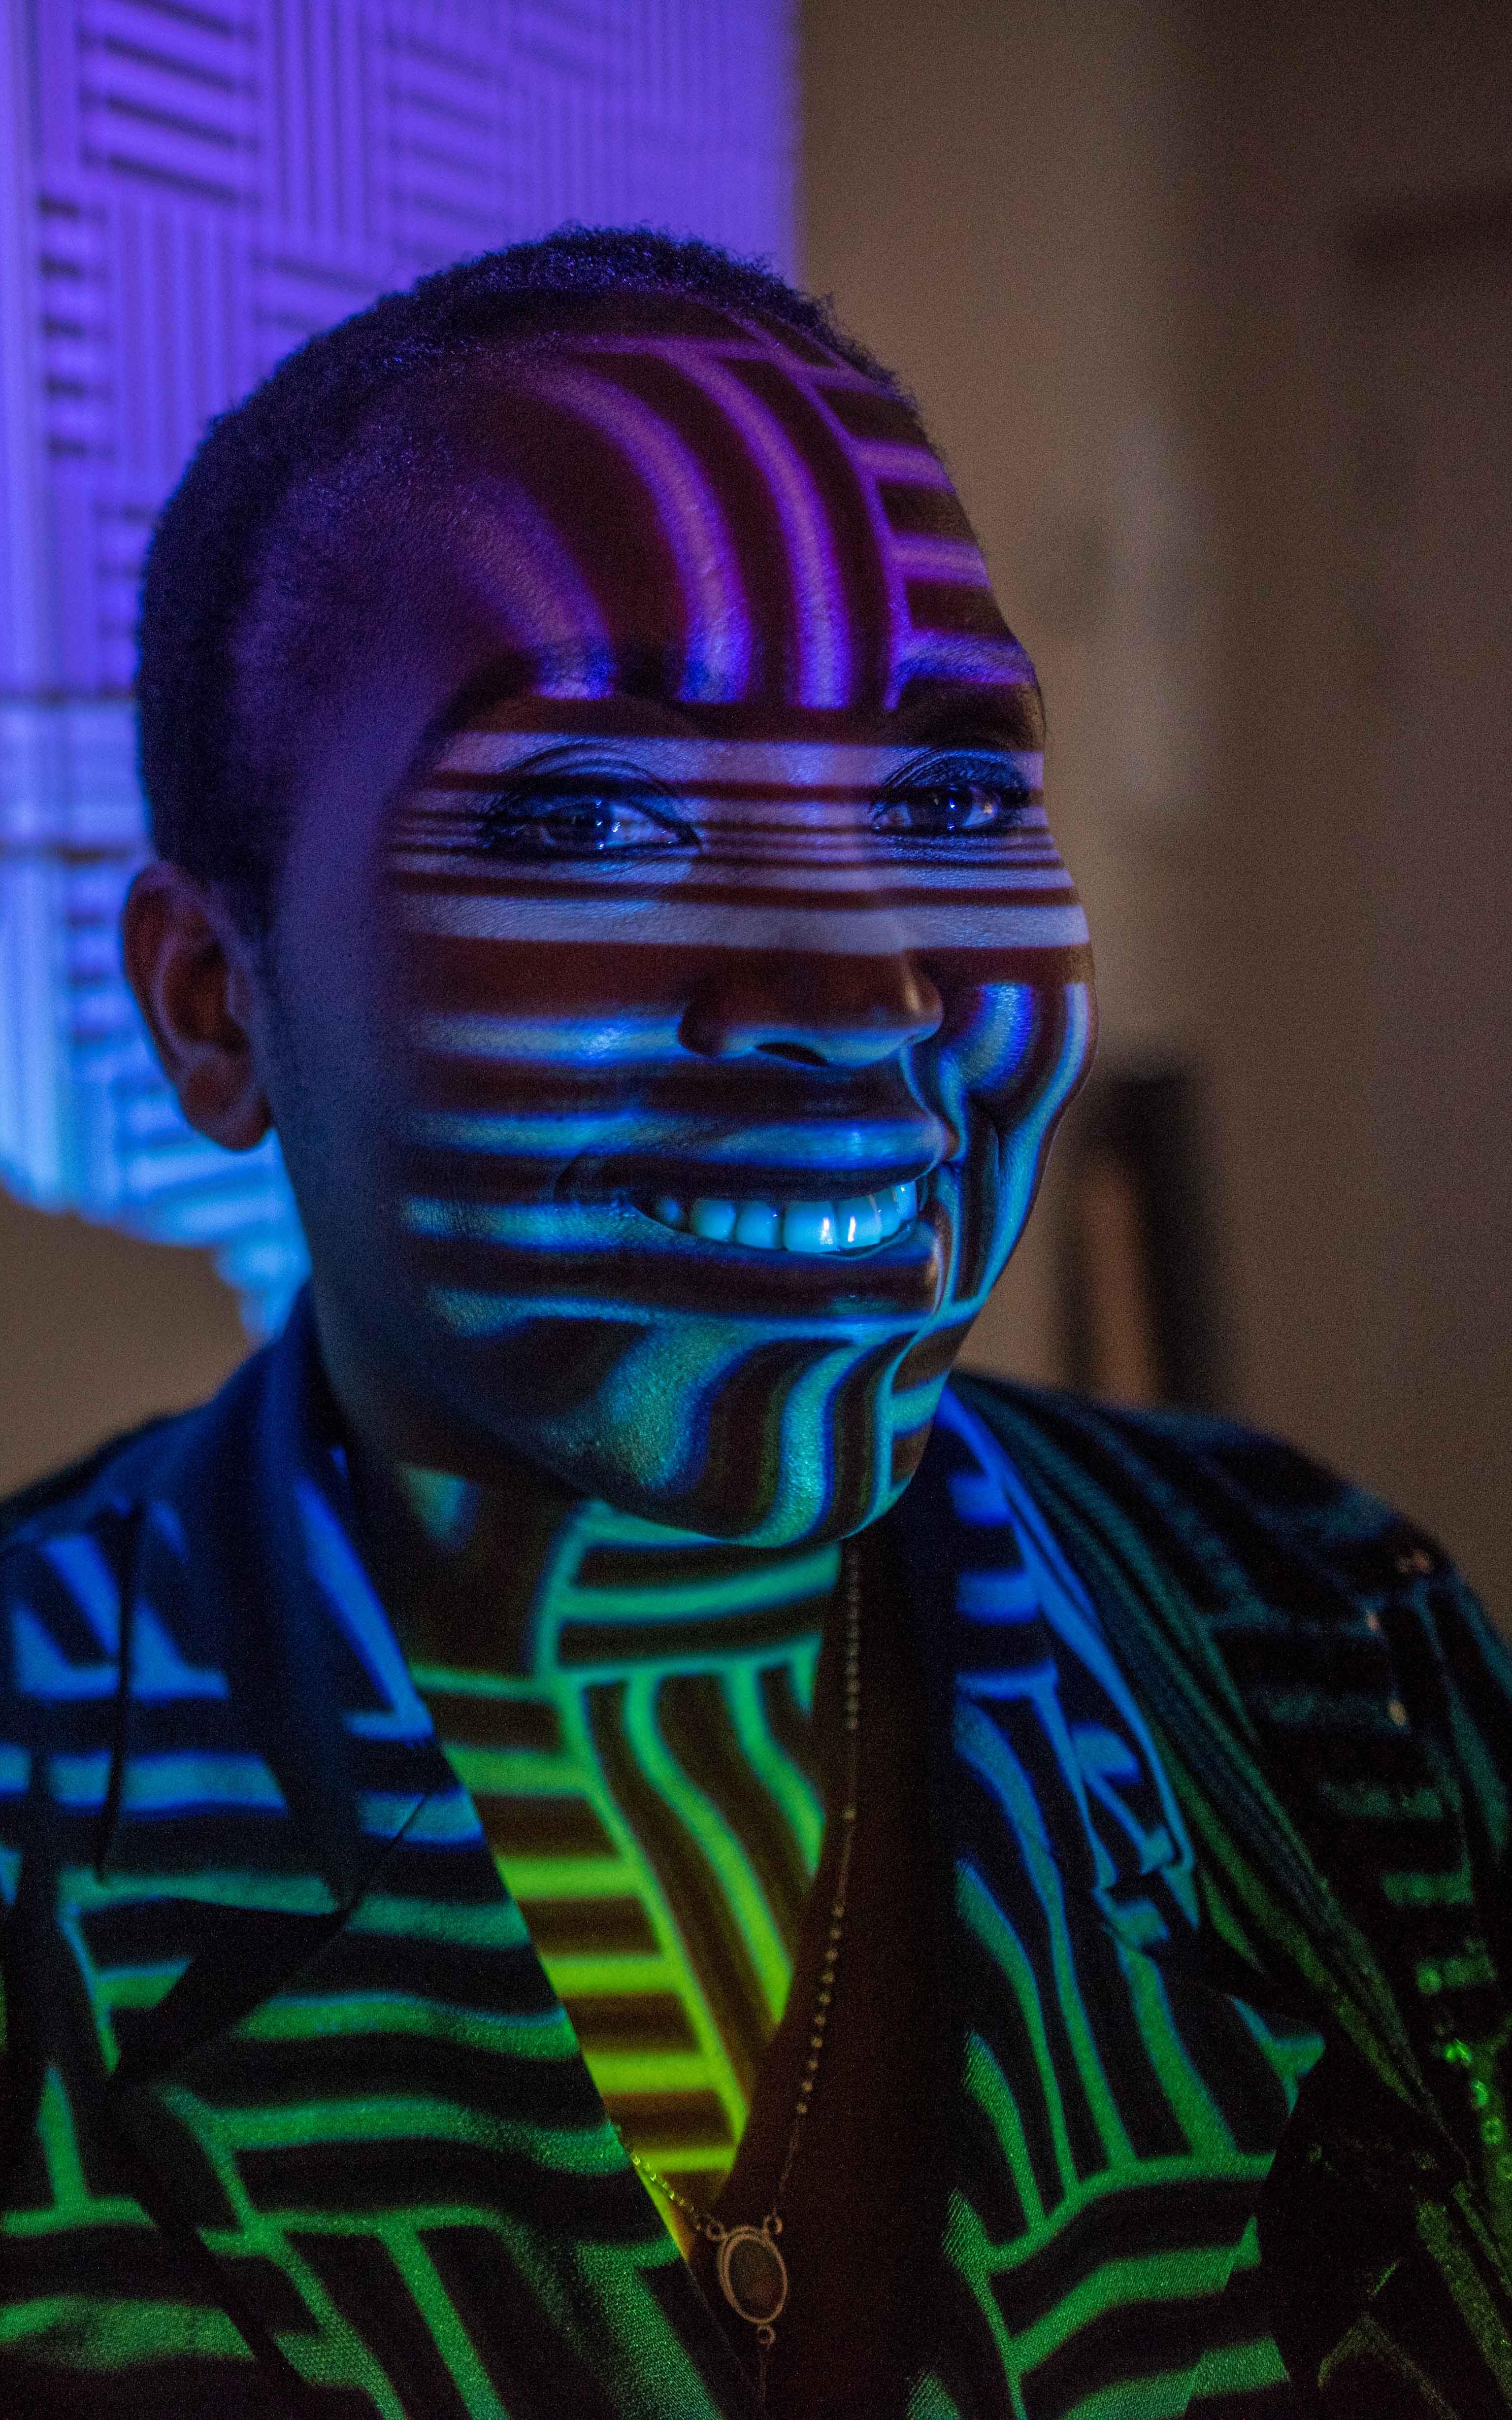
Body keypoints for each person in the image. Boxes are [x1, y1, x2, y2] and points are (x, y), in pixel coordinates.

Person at [0, 228, 1509, 2420]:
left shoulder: (1329, 1659)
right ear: (214, 1006)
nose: (872, 986)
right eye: (595, 816)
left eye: (954, 799)